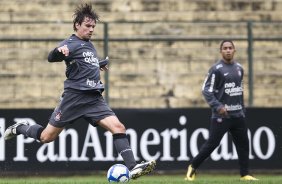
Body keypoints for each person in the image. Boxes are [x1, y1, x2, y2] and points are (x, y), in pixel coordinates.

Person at [4, 3, 156, 179]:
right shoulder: (71, 43)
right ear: (77, 25)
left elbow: (84, 64)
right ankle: (19, 128)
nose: (91, 29)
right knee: (46, 137)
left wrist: (99, 65)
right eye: (87, 26)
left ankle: (133, 166)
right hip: (74, 98)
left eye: (93, 26)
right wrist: (58, 52)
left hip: (94, 99)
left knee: (118, 127)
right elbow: (51, 57)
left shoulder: (90, 45)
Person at [185, 40, 258, 181]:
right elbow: (206, 90)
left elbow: (239, 91)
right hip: (221, 116)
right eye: (225, 48)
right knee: (212, 144)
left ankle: (245, 174)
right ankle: (192, 167)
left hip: (238, 114)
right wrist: (217, 106)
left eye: (230, 48)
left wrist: (242, 109)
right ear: (221, 51)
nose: (228, 50)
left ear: (234, 50)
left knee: (243, 144)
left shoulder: (239, 68)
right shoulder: (216, 69)